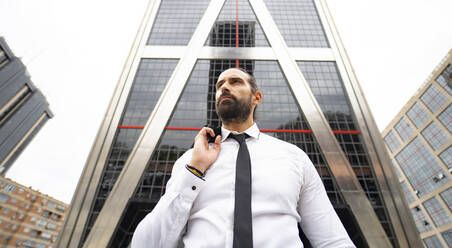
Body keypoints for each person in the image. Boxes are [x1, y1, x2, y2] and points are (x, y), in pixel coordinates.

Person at [131, 68, 355, 248]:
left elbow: (331, 239)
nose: (224, 87)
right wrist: (195, 171)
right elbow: (146, 243)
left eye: (235, 81)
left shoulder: (294, 157)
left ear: (256, 97)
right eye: (219, 85)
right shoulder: (189, 161)